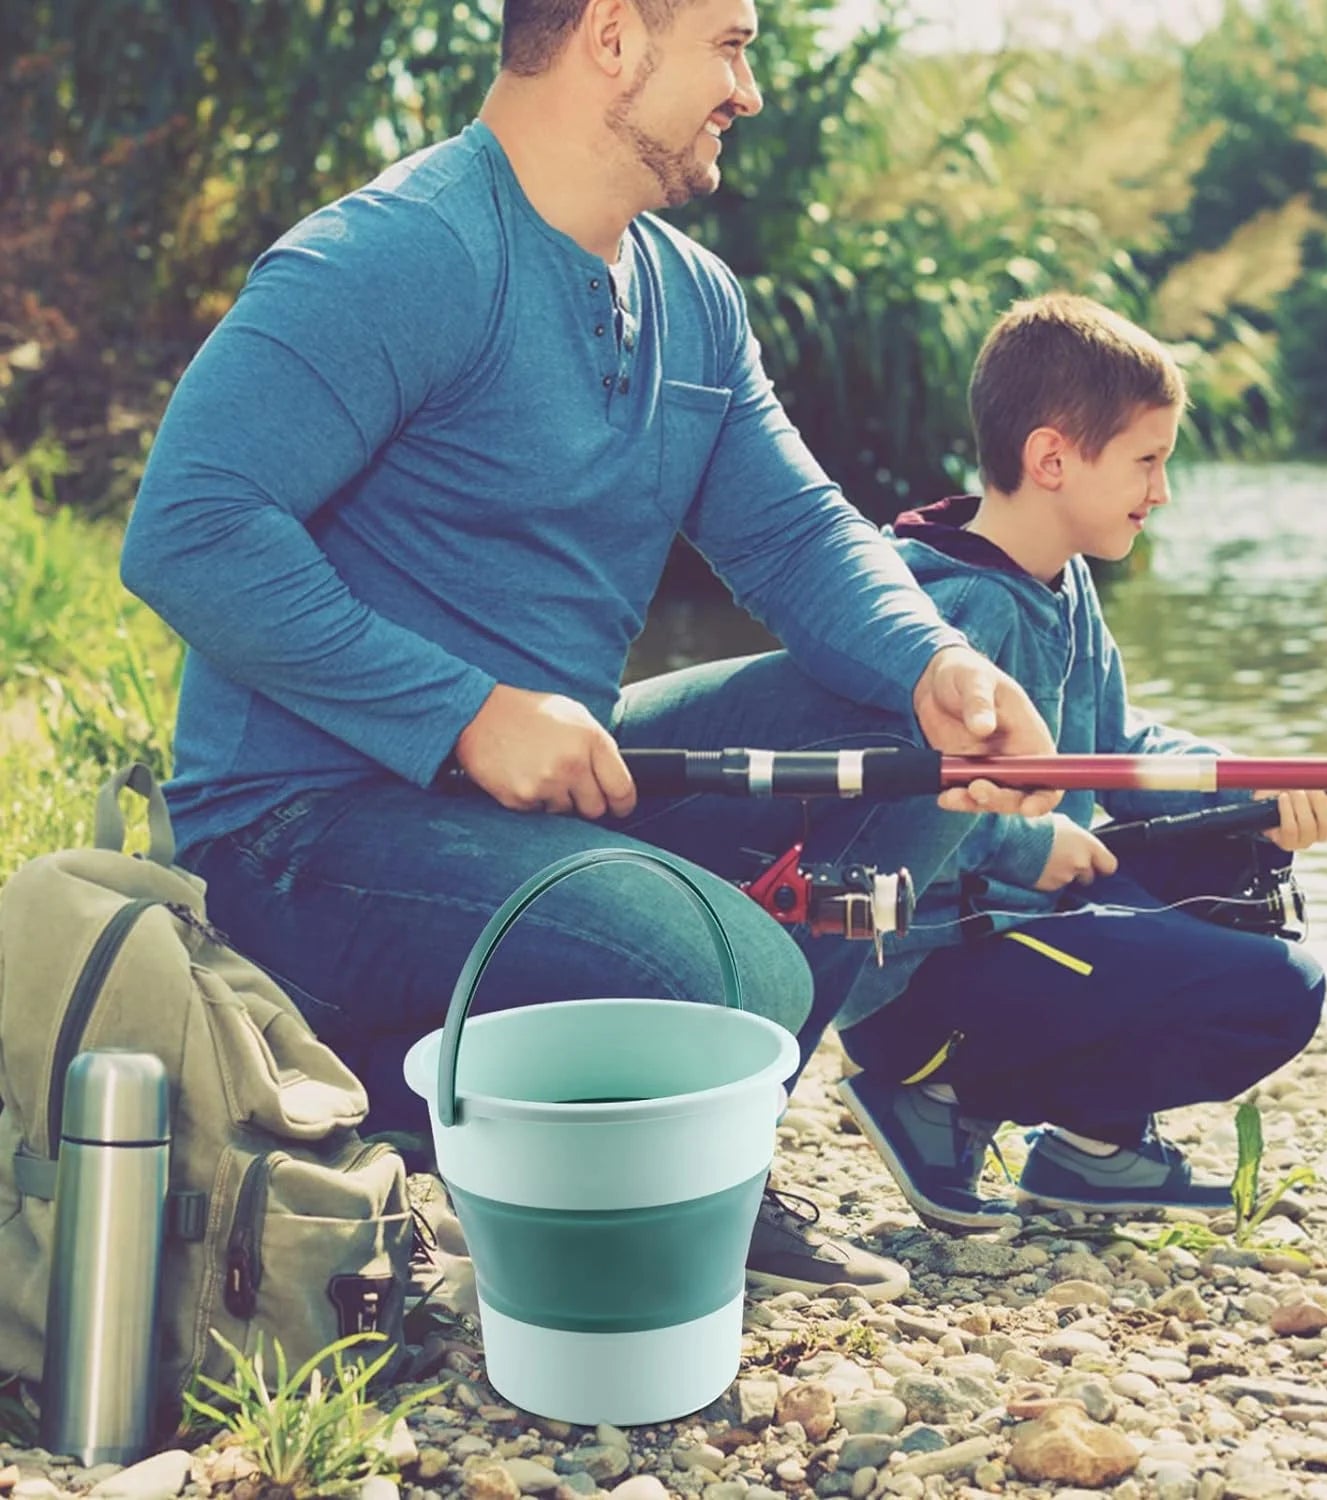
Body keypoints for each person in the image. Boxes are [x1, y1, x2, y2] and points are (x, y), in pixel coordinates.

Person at [118, 0, 1063, 1302]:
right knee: (723, 967)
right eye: (731, 43)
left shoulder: (695, 300)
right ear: (613, 37)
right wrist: (465, 714)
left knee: (917, 739)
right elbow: (190, 528)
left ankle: (691, 1160)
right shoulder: (397, 254)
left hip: (536, 811)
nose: (753, 89)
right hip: (298, 834)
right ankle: (389, 1097)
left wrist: (936, 665)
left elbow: (792, 531)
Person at [836, 293, 1327, 1230]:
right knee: (1282, 994)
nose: (1161, 492)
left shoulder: (1062, 578)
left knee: (1241, 851)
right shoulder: (958, 613)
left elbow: (1120, 747)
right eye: (1147, 462)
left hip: (1016, 923)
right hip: (921, 977)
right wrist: (1031, 849)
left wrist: (1253, 785)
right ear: (1052, 459)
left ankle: (1095, 1150)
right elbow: (903, 808)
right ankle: (933, 1098)